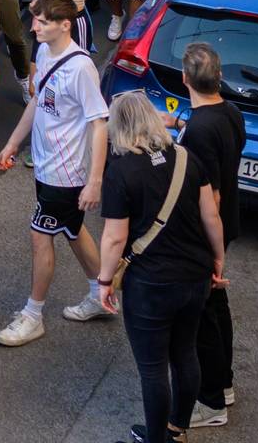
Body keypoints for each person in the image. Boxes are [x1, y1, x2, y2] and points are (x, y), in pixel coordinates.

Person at [92, 91, 228, 443]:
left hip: (150, 284)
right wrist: (217, 258)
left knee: (152, 369)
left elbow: (114, 238)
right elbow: (211, 215)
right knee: (185, 353)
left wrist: (104, 281)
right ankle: (176, 430)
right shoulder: (186, 157)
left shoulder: (120, 171)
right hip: (194, 275)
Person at [0, 0, 111, 348]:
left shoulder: (81, 68)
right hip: (45, 168)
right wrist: (14, 142)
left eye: (42, 22)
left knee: (39, 236)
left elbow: (99, 124)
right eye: (35, 20)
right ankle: (101, 293)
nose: (34, 27)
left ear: (65, 25)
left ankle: (33, 315)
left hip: (66, 173)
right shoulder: (44, 53)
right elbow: (37, 102)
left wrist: (94, 181)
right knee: (72, 230)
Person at [173, 43, 247, 428]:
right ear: (218, 77)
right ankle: (225, 383)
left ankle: (211, 401)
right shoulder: (229, 112)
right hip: (228, 220)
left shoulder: (200, 130)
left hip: (205, 232)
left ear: (185, 79)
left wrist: (211, 251)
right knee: (217, 308)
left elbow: (210, 194)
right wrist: (178, 125)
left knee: (202, 319)